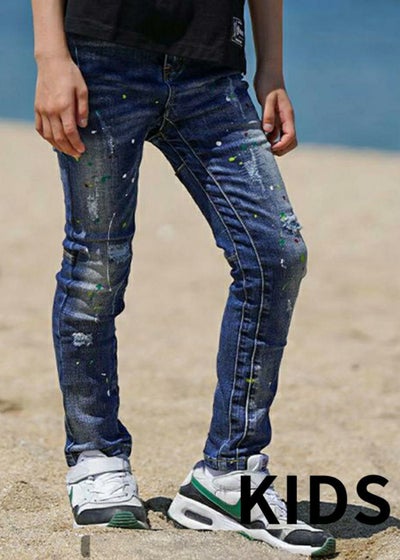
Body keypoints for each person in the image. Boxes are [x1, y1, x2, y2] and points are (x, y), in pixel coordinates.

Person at [31, 0, 335, 556]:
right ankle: (97, 456)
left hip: (213, 68)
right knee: (97, 265)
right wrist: (51, 56)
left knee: (276, 255)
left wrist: (271, 69)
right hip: (101, 55)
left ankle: (229, 474)